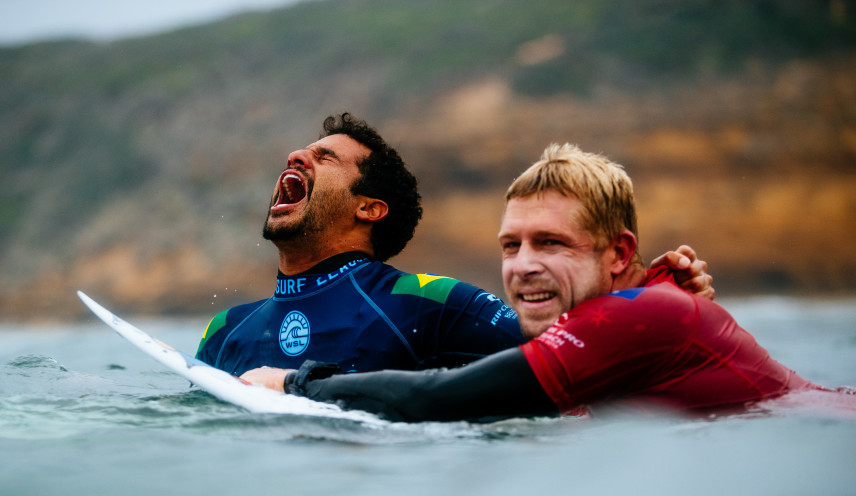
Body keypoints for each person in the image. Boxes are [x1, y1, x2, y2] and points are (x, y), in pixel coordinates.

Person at [242, 143, 847, 422]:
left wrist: (297, 383)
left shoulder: (639, 317)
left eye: (551, 243)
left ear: (619, 256)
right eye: (511, 245)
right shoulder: (635, 316)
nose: (523, 265)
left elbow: (436, 400)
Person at [198, 114, 713, 377]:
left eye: (325, 157)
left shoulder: (431, 303)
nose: (296, 155)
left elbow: (576, 357)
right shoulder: (225, 331)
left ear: (370, 207)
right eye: (302, 151)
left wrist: (650, 299)